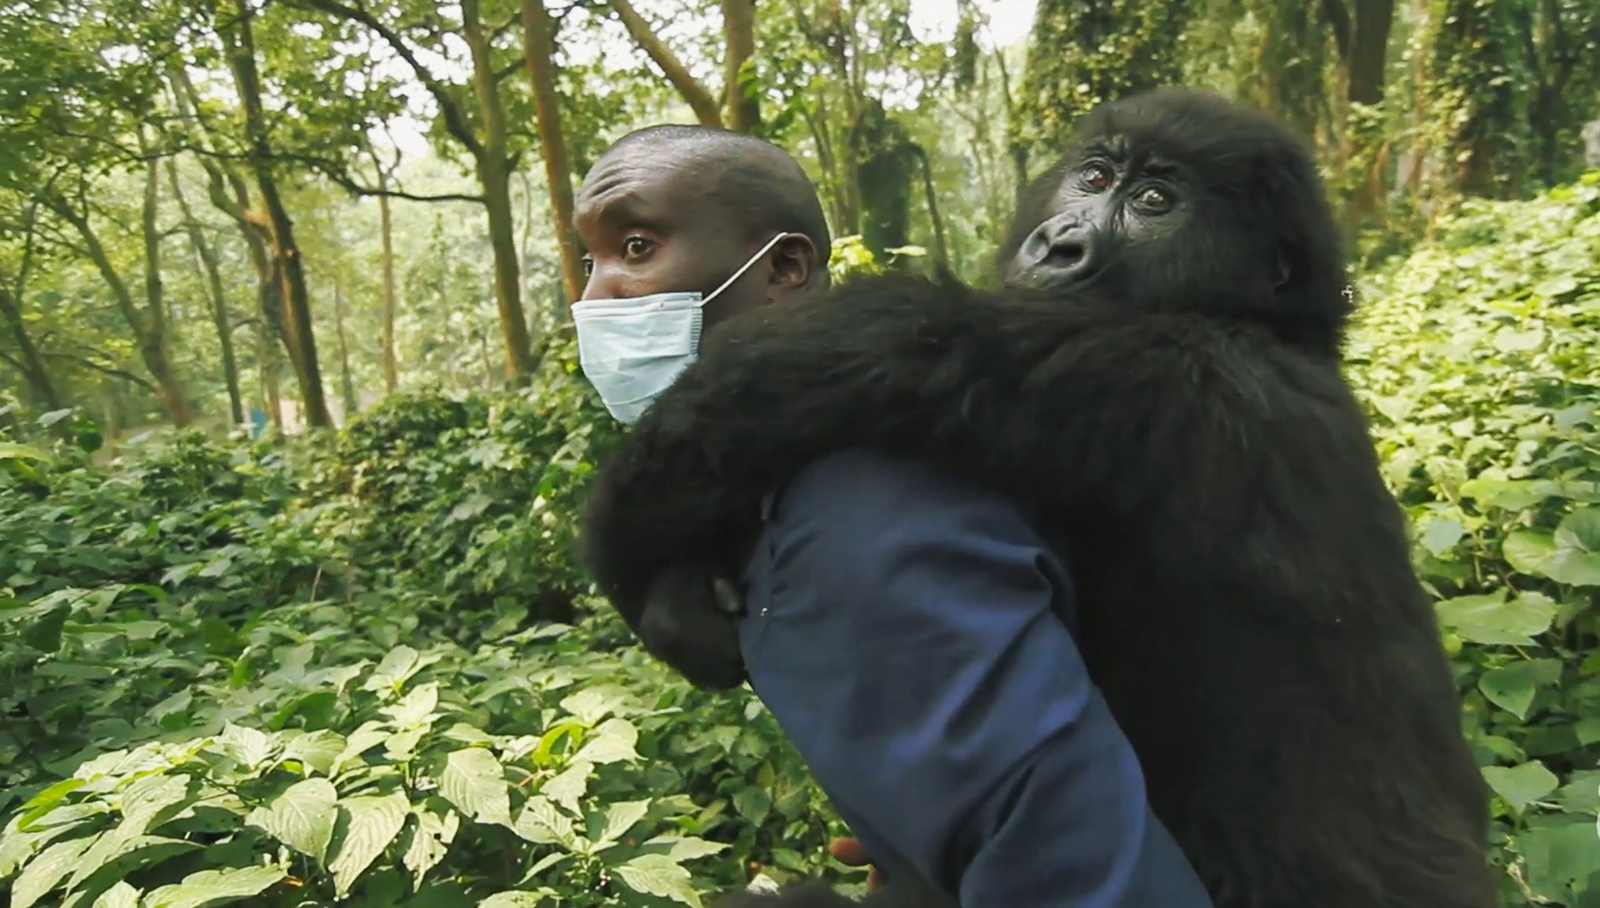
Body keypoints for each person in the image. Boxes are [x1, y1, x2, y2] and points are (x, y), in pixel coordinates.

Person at [571, 124, 1213, 908]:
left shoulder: (853, 523)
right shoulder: (790, 492)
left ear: (784, 268)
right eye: (588, 260)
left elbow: (1093, 885)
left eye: (637, 248)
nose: (593, 296)